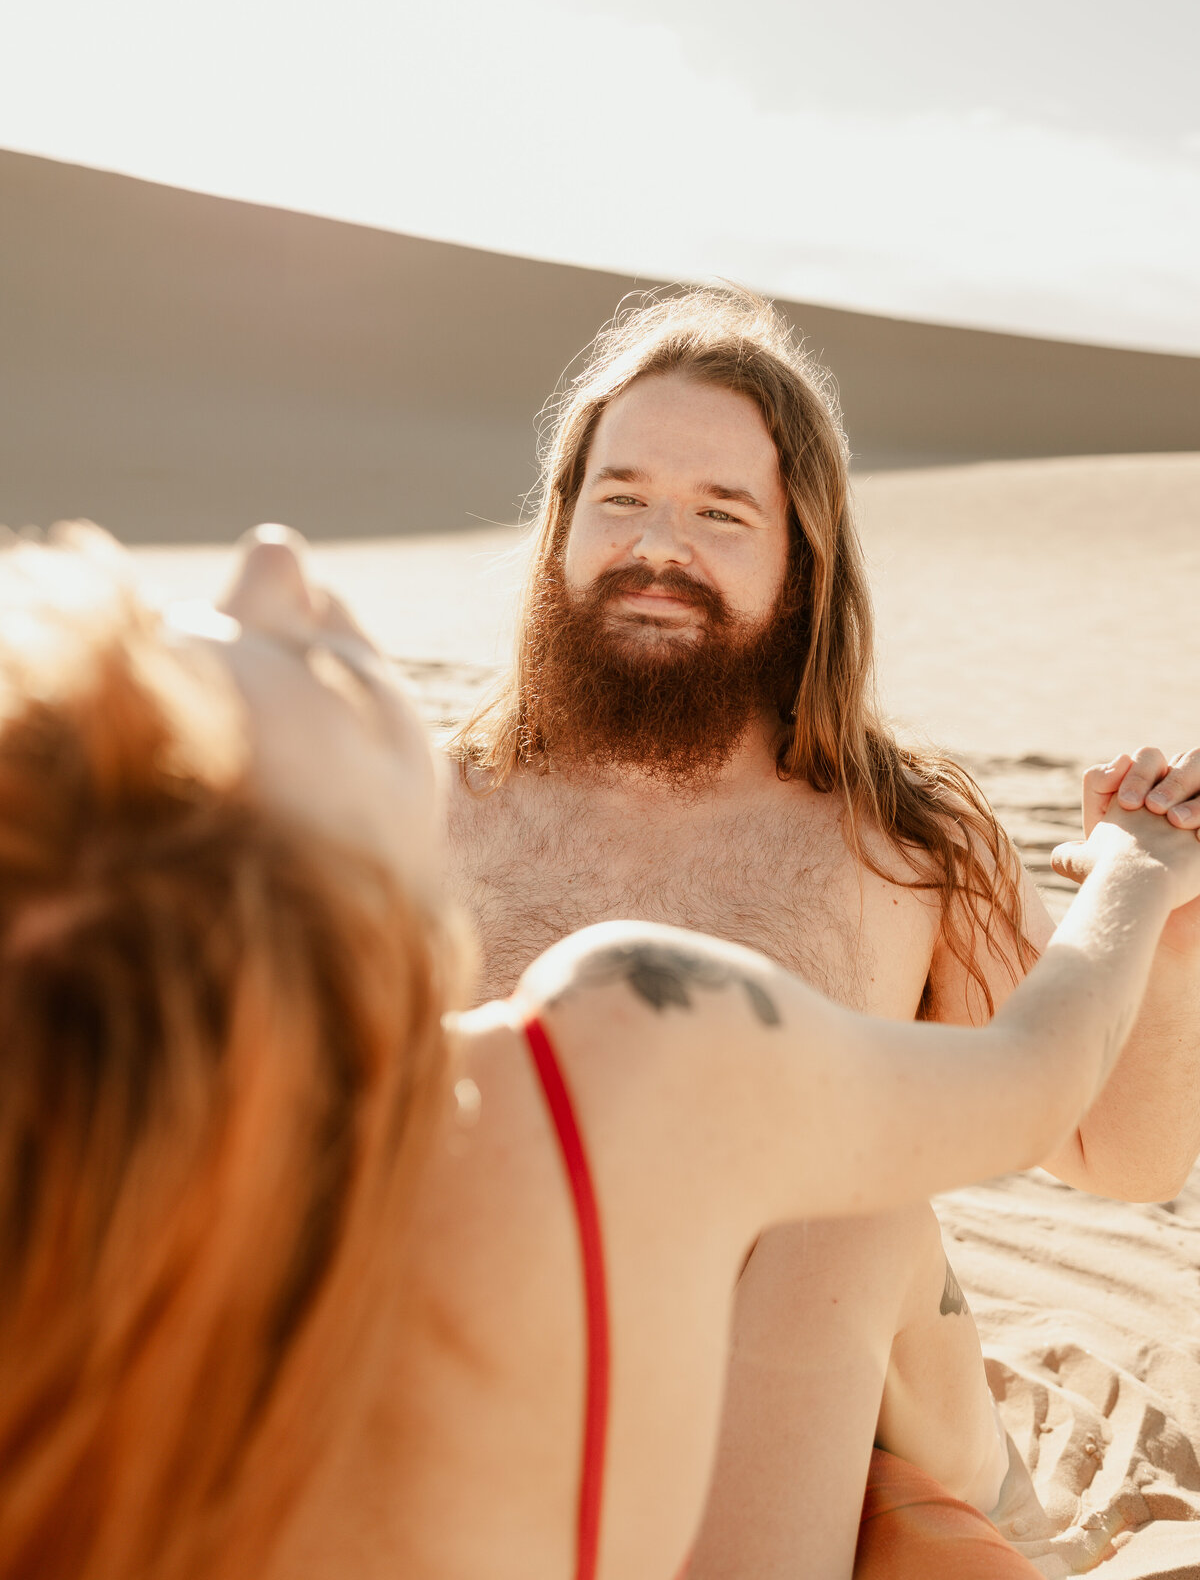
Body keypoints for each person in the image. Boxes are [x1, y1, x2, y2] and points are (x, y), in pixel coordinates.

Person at [3, 525, 1200, 1580]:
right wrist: (1140, 870)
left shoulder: (105, 1252)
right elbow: (1039, 1077)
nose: (270, 556)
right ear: (302, 891)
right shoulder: (631, 1048)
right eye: (241, 663)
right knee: (847, 1208)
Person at [446, 285, 1200, 1572]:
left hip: (854, 1421)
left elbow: (1117, 1154)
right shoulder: (434, 808)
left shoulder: (899, 839)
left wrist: (1166, 928)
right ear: (562, 524)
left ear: (803, 566)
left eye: (720, 512)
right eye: (620, 496)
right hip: (495, 1401)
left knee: (825, 1179)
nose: (655, 544)